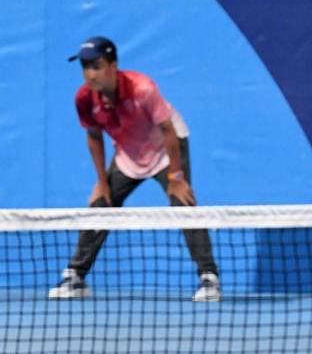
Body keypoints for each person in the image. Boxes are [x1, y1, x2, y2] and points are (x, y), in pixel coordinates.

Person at [48, 36, 221, 302]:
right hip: (129, 152)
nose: (89, 73)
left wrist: (176, 176)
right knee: (100, 207)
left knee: (183, 203)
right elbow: (94, 136)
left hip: (166, 147)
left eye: (96, 65)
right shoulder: (84, 97)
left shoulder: (142, 89)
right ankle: (75, 276)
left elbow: (168, 130)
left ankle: (209, 278)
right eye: (85, 67)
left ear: (113, 65)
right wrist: (102, 182)